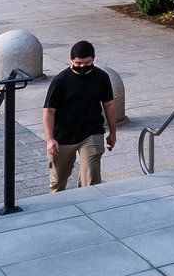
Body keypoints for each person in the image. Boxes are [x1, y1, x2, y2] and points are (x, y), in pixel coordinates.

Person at [43, 40, 119, 191]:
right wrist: (50, 139)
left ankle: (89, 206)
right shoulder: (60, 81)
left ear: (93, 59)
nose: (83, 66)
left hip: (92, 131)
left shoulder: (101, 77)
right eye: (78, 63)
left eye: (87, 62)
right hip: (63, 136)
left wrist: (113, 132)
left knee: (90, 179)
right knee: (58, 181)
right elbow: (49, 111)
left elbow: (109, 104)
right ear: (71, 60)